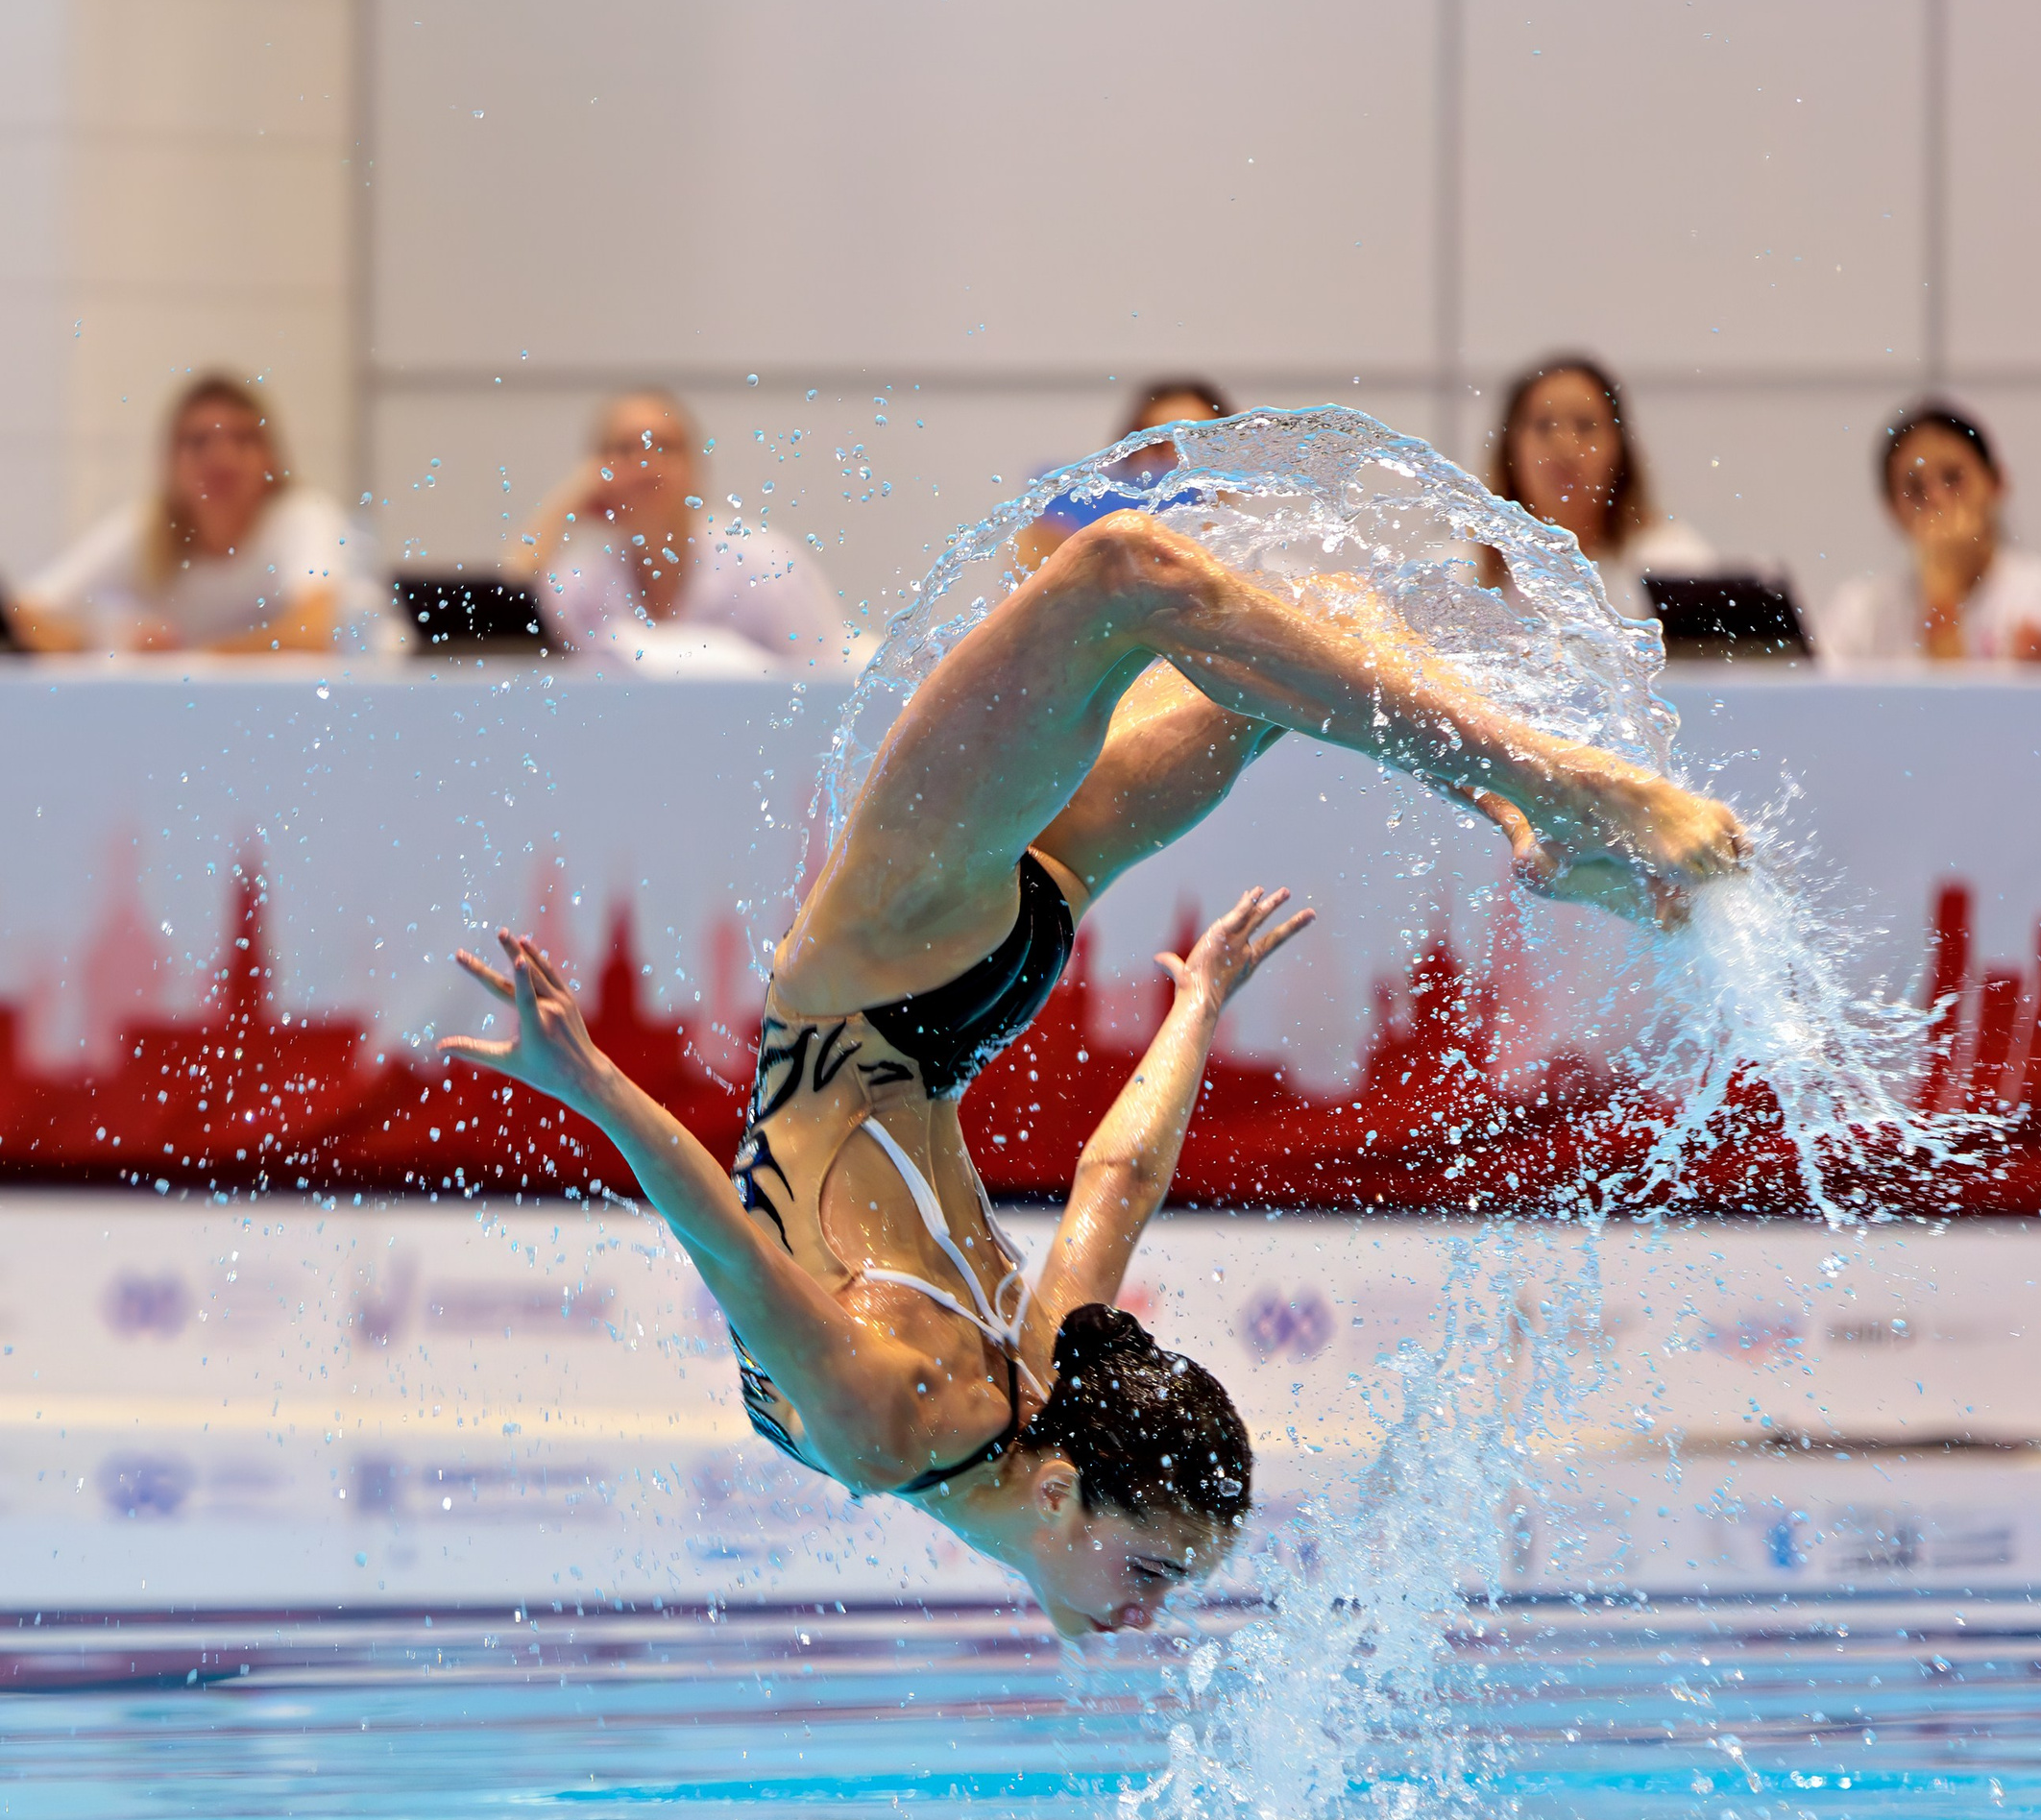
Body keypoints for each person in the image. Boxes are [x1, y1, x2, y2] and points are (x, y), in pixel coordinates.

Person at [442, 509, 1748, 1636]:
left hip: (941, 975)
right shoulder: (992, 1413)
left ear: (1063, 1489)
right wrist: (1196, 1008)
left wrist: (594, 1085)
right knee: (1181, 593)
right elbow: (1111, 1181)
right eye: (1158, 1574)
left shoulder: (925, 1411)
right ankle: (1546, 803)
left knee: (1199, 599)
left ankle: (1540, 807)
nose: (1149, 1613)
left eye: (1155, 1575)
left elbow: (734, 1251)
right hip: (907, 975)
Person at [12, 372, 382, 656]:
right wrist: (108, 644)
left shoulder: (302, 518)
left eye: (242, 440)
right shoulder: (149, 529)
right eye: (199, 442)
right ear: (171, 463)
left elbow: (315, 633)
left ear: (271, 458)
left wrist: (190, 658)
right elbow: (23, 616)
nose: (221, 458)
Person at [510, 388, 854, 667]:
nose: (646, 464)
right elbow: (504, 621)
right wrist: (562, 508)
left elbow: (829, 689)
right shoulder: (585, 582)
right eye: (626, 450)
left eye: (664, 447)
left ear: (696, 469)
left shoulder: (767, 568)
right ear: (598, 473)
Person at [1820, 401, 2041, 666]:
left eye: (1953, 478)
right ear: (1892, 509)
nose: (1937, 500)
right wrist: (1940, 592)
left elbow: (1957, 701)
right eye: (1915, 489)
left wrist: (1942, 593)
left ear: (1996, 482)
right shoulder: (1859, 615)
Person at [1482, 357, 1714, 615]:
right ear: (1510, 450)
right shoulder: (1464, 569)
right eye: (1543, 426)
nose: (1565, 447)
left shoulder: (1672, 563)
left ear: (1619, 448)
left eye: (1585, 426)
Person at [1017, 380, 1237, 568]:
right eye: (1158, 445)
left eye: (1197, 445)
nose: (1179, 461)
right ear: (1129, 455)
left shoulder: (1248, 561)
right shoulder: (1068, 537)